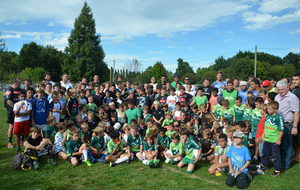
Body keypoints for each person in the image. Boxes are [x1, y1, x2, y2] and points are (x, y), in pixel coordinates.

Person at [275, 80, 299, 170]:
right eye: (279, 89)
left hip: (287, 124)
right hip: (278, 124)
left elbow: (297, 112)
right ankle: (280, 162)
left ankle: (286, 165)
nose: (280, 91)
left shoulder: (293, 97)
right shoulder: (277, 97)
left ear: (288, 88)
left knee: (287, 145)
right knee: (279, 145)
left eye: (282, 89)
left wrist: (295, 126)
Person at [261, 101, 284, 177]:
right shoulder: (267, 116)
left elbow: (281, 130)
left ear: (276, 109)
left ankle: (277, 170)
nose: (268, 110)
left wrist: (278, 139)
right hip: (267, 139)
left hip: (274, 140)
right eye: (267, 109)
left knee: (275, 155)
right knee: (265, 153)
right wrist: (263, 135)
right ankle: (265, 166)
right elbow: (265, 127)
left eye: (270, 109)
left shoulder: (279, 118)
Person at [5, 78, 21, 148]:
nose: (20, 84)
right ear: (14, 83)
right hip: (11, 111)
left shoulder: (20, 90)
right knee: (11, 126)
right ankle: (9, 142)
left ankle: (20, 140)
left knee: (20, 125)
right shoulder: (9, 90)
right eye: (19, 83)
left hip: (19, 111)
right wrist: (16, 108)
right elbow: (8, 101)